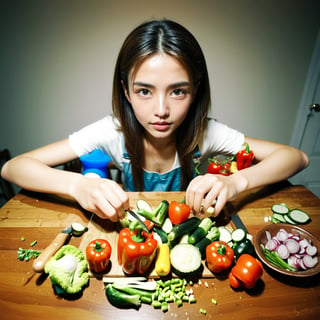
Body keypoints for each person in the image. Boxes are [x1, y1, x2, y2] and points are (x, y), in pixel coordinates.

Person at [1, 19, 308, 222]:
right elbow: (13, 167)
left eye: (178, 91)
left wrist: (236, 181)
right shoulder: (112, 131)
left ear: (196, 89)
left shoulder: (205, 131)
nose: (161, 110)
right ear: (126, 90)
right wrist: (76, 185)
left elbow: (297, 157)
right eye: (144, 91)